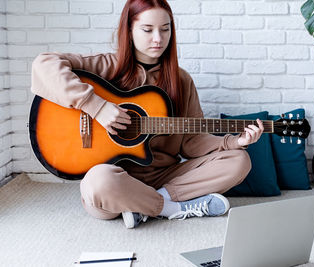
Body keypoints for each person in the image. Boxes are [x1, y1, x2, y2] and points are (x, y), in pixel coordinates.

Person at [30, 0, 264, 229]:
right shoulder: (106, 66)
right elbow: (45, 64)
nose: (158, 39)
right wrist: (96, 106)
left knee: (239, 160)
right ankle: (172, 209)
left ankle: (147, 206)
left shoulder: (181, 80)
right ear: (129, 30)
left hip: (166, 177)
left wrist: (235, 141)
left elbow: (192, 142)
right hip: (116, 182)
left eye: (165, 29)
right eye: (147, 29)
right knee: (97, 182)